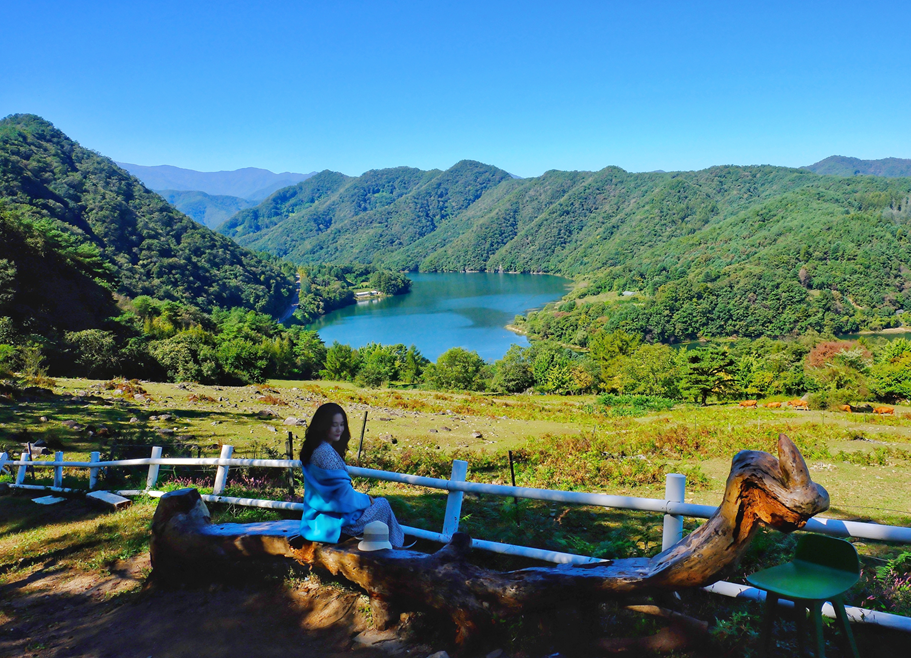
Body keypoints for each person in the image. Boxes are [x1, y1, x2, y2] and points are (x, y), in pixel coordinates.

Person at [296, 402, 405, 548]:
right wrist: (367, 499)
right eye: (334, 425)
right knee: (383, 505)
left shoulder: (313, 448)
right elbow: (344, 497)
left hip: (314, 519)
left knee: (375, 505)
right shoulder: (326, 453)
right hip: (334, 523)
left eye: (342, 424)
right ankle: (396, 548)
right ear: (323, 425)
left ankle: (394, 544)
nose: (339, 429)